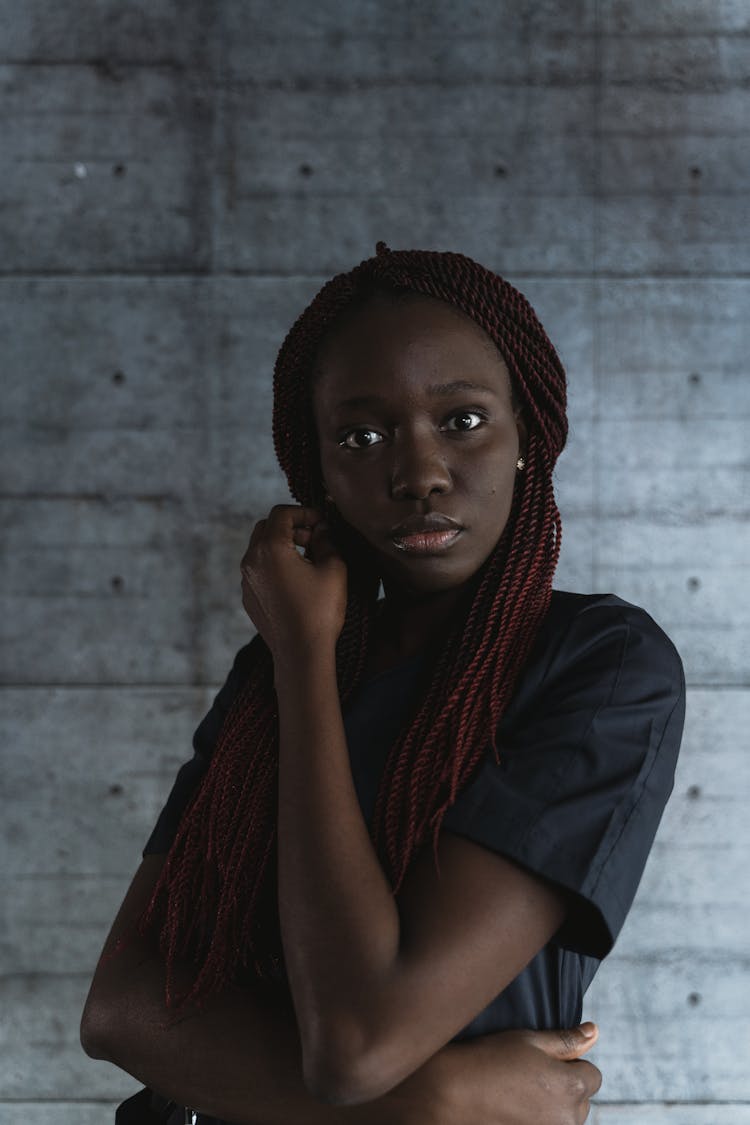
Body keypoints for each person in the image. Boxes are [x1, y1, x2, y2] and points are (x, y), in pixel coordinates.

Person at [81, 244, 685, 1125]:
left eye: (464, 420)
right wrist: (432, 1100)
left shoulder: (599, 665)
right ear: (317, 469)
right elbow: (121, 1007)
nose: (420, 475)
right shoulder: (282, 666)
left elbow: (360, 1039)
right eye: (362, 436)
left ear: (529, 435)